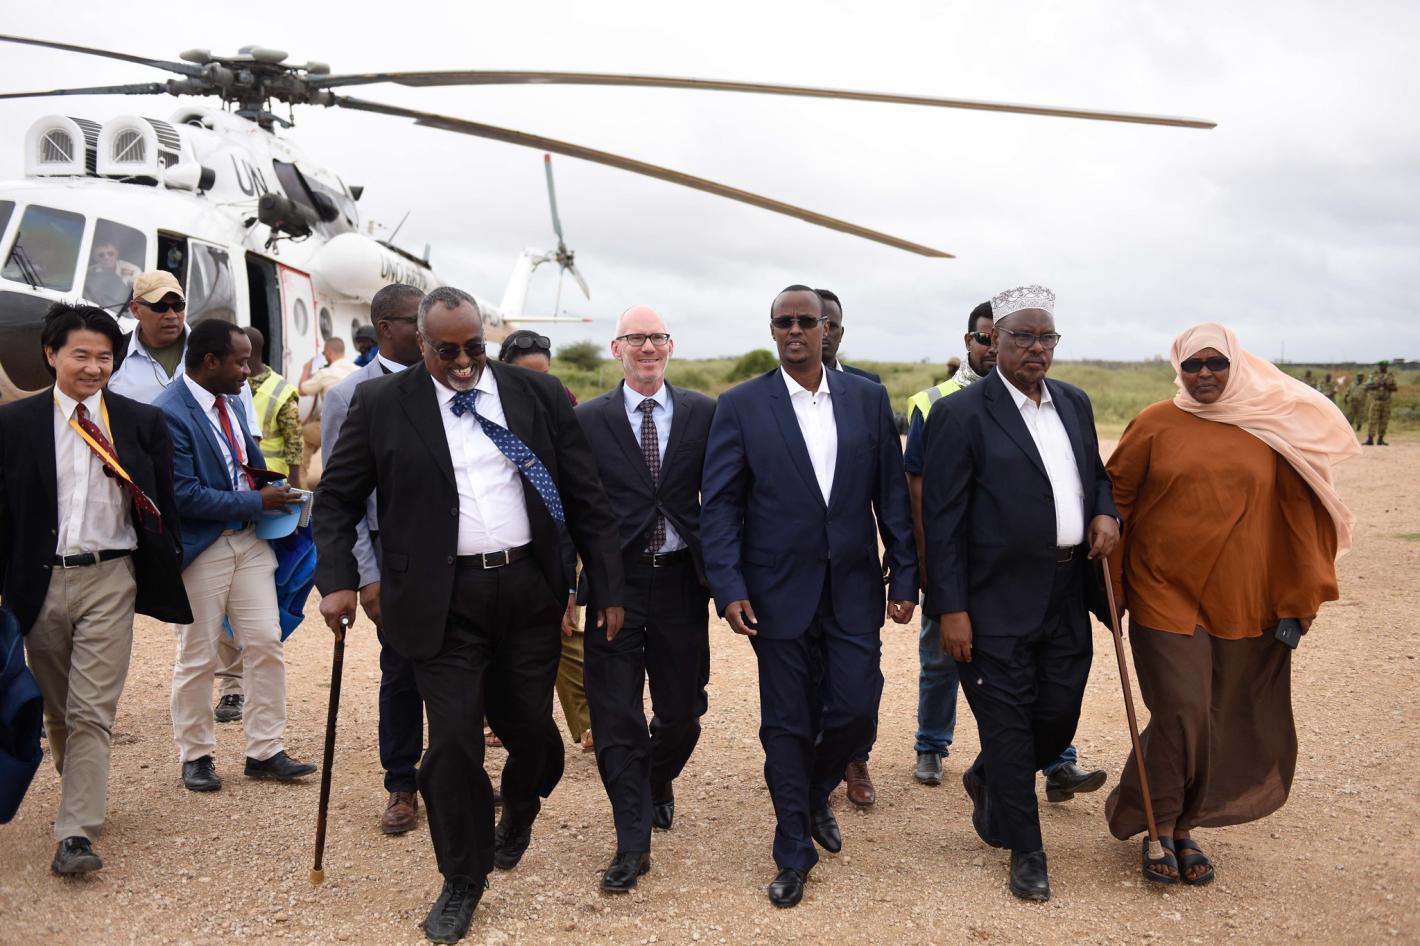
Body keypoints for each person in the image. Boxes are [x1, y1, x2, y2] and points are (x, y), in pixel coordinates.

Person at [313, 287, 624, 944]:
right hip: (440, 600)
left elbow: (585, 493)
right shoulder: (382, 404)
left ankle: (522, 806)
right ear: (420, 344)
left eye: (473, 347)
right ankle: (462, 878)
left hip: (529, 591)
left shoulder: (537, 394)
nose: (462, 362)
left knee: (532, 736)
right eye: (446, 350)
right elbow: (336, 500)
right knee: (453, 743)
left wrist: (607, 585)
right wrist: (339, 580)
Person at [1104, 323, 1357, 886]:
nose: (1204, 374)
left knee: (1218, 713)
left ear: (1235, 365)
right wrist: (1112, 585)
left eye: (1216, 363)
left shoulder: (1267, 428)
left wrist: (1300, 597)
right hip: (1162, 589)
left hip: (1241, 595)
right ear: (1178, 368)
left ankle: (1182, 824)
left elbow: (1298, 515)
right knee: (1182, 709)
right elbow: (1115, 501)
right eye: (1192, 364)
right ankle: (1156, 825)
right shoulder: (1154, 423)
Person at [701, 285, 917, 908]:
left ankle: (815, 789)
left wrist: (905, 574)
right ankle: (793, 844)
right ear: (772, 331)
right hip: (775, 594)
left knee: (856, 708)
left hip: (853, 587)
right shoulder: (741, 405)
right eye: (783, 322)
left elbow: (891, 496)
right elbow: (720, 506)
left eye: (806, 321)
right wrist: (729, 586)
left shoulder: (868, 399)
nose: (794, 330)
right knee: (787, 723)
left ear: (827, 329)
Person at [921, 285, 1119, 902]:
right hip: (992, 599)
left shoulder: (1074, 403)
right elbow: (942, 522)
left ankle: (988, 776)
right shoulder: (961, 414)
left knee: (1058, 713)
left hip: (1066, 588)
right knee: (1007, 727)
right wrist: (951, 609)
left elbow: (1094, 475)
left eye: (1046, 337)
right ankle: (1026, 849)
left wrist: (1106, 512)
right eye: (1022, 336)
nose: (1036, 348)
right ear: (995, 340)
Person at [0, 302, 190, 874]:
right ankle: (78, 783)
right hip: (40, 581)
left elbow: (163, 505)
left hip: (111, 577)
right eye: (80, 354)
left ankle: (75, 832)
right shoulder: (15, 424)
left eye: (104, 357)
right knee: (58, 708)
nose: (92, 367)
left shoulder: (140, 423)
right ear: (51, 355)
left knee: (90, 711)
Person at [575, 305, 715, 892]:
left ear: (671, 345)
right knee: (616, 718)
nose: (648, 347)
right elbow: (576, 509)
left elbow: (726, 498)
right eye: (636, 338)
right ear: (617, 349)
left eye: (657, 337)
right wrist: (573, 588)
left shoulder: (705, 413)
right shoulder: (588, 421)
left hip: (683, 583)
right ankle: (632, 842)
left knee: (682, 714)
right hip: (617, 587)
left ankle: (656, 777)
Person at [154, 320, 314, 793]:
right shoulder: (168, 412)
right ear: (210, 362)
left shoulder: (232, 400)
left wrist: (276, 493)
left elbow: (243, 463)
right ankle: (196, 756)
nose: (249, 371)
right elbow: (183, 494)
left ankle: (265, 750)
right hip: (203, 547)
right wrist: (257, 502)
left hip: (250, 542)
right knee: (198, 654)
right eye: (241, 362)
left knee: (265, 642)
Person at [319, 284, 428, 835]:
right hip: (390, 555)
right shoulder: (349, 395)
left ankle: (454, 773)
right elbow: (342, 495)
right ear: (385, 328)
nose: (427, 331)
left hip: (451, 549)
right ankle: (402, 782)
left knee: (461, 666)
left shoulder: (449, 382)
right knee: (402, 671)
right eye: (416, 322)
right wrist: (366, 573)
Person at [497, 329, 590, 749]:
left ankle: (588, 721)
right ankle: (493, 717)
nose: (536, 384)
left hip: (555, 529)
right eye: (526, 375)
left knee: (565, 623)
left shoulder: (562, 402)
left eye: (544, 375)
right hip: (500, 536)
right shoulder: (484, 407)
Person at [210, 327, 304, 725]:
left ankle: (258, 714)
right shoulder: (213, 391)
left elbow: (294, 447)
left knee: (266, 617)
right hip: (237, 511)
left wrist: (294, 497)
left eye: (246, 359)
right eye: (238, 361)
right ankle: (233, 686)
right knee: (219, 621)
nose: (243, 368)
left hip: (272, 513)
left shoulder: (276, 391)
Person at [816, 287, 882, 807]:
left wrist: (901, 558)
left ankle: (855, 757)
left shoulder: (867, 390)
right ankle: (814, 764)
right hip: (792, 569)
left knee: (861, 677)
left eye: (830, 324)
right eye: (811, 321)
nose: (821, 332)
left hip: (855, 567)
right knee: (807, 673)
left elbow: (887, 483)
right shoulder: (764, 396)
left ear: (839, 330)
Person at [107, 271, 260, 430]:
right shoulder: (114, 355)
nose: (171, 315)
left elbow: (249, 428)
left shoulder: (215, 351)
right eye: (160, 307)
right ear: (135, 309)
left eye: (178, 306)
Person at [298, 337, 357, 483]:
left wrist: (306, 369)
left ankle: (300, 481)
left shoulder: (325, 373)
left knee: (304, 433)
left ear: (329, 353)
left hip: (335, 427)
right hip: (356, 427)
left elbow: (301, 390)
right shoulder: (358, 370)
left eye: (324, 354)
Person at [1364, 361, 1397, 446]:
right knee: (1372, 420)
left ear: (1386, 366)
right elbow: (1367, 386)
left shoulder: (1390, 376)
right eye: (1381, 365)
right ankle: (1370, 439)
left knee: (1384, 420)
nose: (1383, 367)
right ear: (1379, 366)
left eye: (1384, 365)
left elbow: (1395, 388)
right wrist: (1377, 385)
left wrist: (1386, 386)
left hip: (1386, 401)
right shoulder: (1373, 376)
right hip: (1376, 401)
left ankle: (1380, 439)